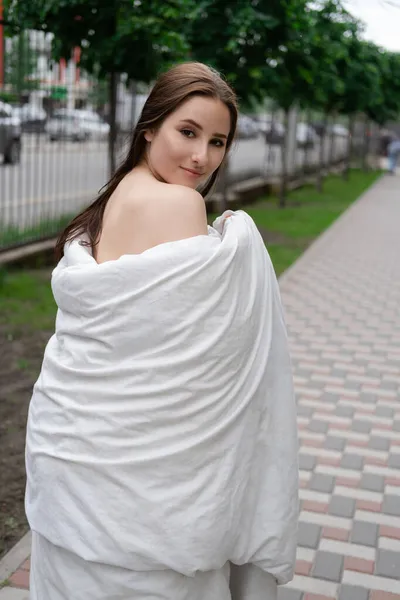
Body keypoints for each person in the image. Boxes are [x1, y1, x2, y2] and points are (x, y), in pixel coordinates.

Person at [25, 62, 299, 600]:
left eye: (218, 141)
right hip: (146, 491)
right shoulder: (181, 204)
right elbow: (208, 359)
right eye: (188, 132)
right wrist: (237, 246)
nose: (202, 157)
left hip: (70, 464)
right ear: (150, 126)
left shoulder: (111, 201)